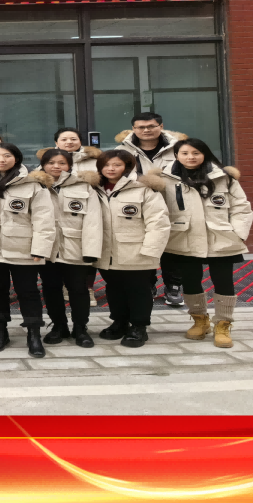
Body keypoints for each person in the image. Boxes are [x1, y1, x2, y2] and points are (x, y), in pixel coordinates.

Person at [158, 139, 253, 348]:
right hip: (183, 237)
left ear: (205, 154)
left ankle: (223, 324)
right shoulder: (165, 179)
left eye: (196, 153)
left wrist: (239, 234)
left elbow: (241, 207)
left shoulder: (224, 178)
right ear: (176, 155)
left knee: (223, 281)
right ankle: (200, 320)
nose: (190, 157)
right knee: (190, 281)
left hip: (220, 238)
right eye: (184, 153)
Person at [0, 143, 56, 357]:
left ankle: (34, 334)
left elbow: (44, 219)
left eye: (7, 155)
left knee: (28, 291)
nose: (1, 160)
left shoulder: (32, 184)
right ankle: (0, 331)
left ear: (17, 159)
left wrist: (40, 248)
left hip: (24, 249)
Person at [93, 150, 170, 348]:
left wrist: (151, 250)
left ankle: (139, 326)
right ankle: (119, 322)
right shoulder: (94, 189)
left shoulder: (143, 189)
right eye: (106, 165)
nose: (111, 169)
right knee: (114, 288)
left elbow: (158, 222)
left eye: (117, 165)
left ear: (127, 167)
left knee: (138, 290)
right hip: (105, 251)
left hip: (136, 251)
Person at [116, 111, 189, 308]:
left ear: (161, 127)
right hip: (138, 205)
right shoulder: (122, 150)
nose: (146, 130)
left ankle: (173, 287)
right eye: (141, 127)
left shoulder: (179, 148)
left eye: (151, 126)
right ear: (133, 129)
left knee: (173, 247)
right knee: (144, 244)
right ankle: (148, 284)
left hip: (173, 202)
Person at [36, 148, 102, 349]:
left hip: (76, 247)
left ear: (70, 165)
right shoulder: (35, 186)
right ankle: (59, 326)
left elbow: (93, 221)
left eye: (62, 163)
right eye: (51, 163)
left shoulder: (83, 186)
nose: (56, 166)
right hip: (46, 248)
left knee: (78, 289)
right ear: (43, 165)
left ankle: (81, 328)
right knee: (51, 288)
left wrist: (91, 250)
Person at [36, 127, 103, 174]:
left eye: (73, 139)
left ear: (80, 142)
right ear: (56, 143)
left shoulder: (95, 160)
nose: (69, 142)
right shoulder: (47, 159)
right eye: (64, 139)